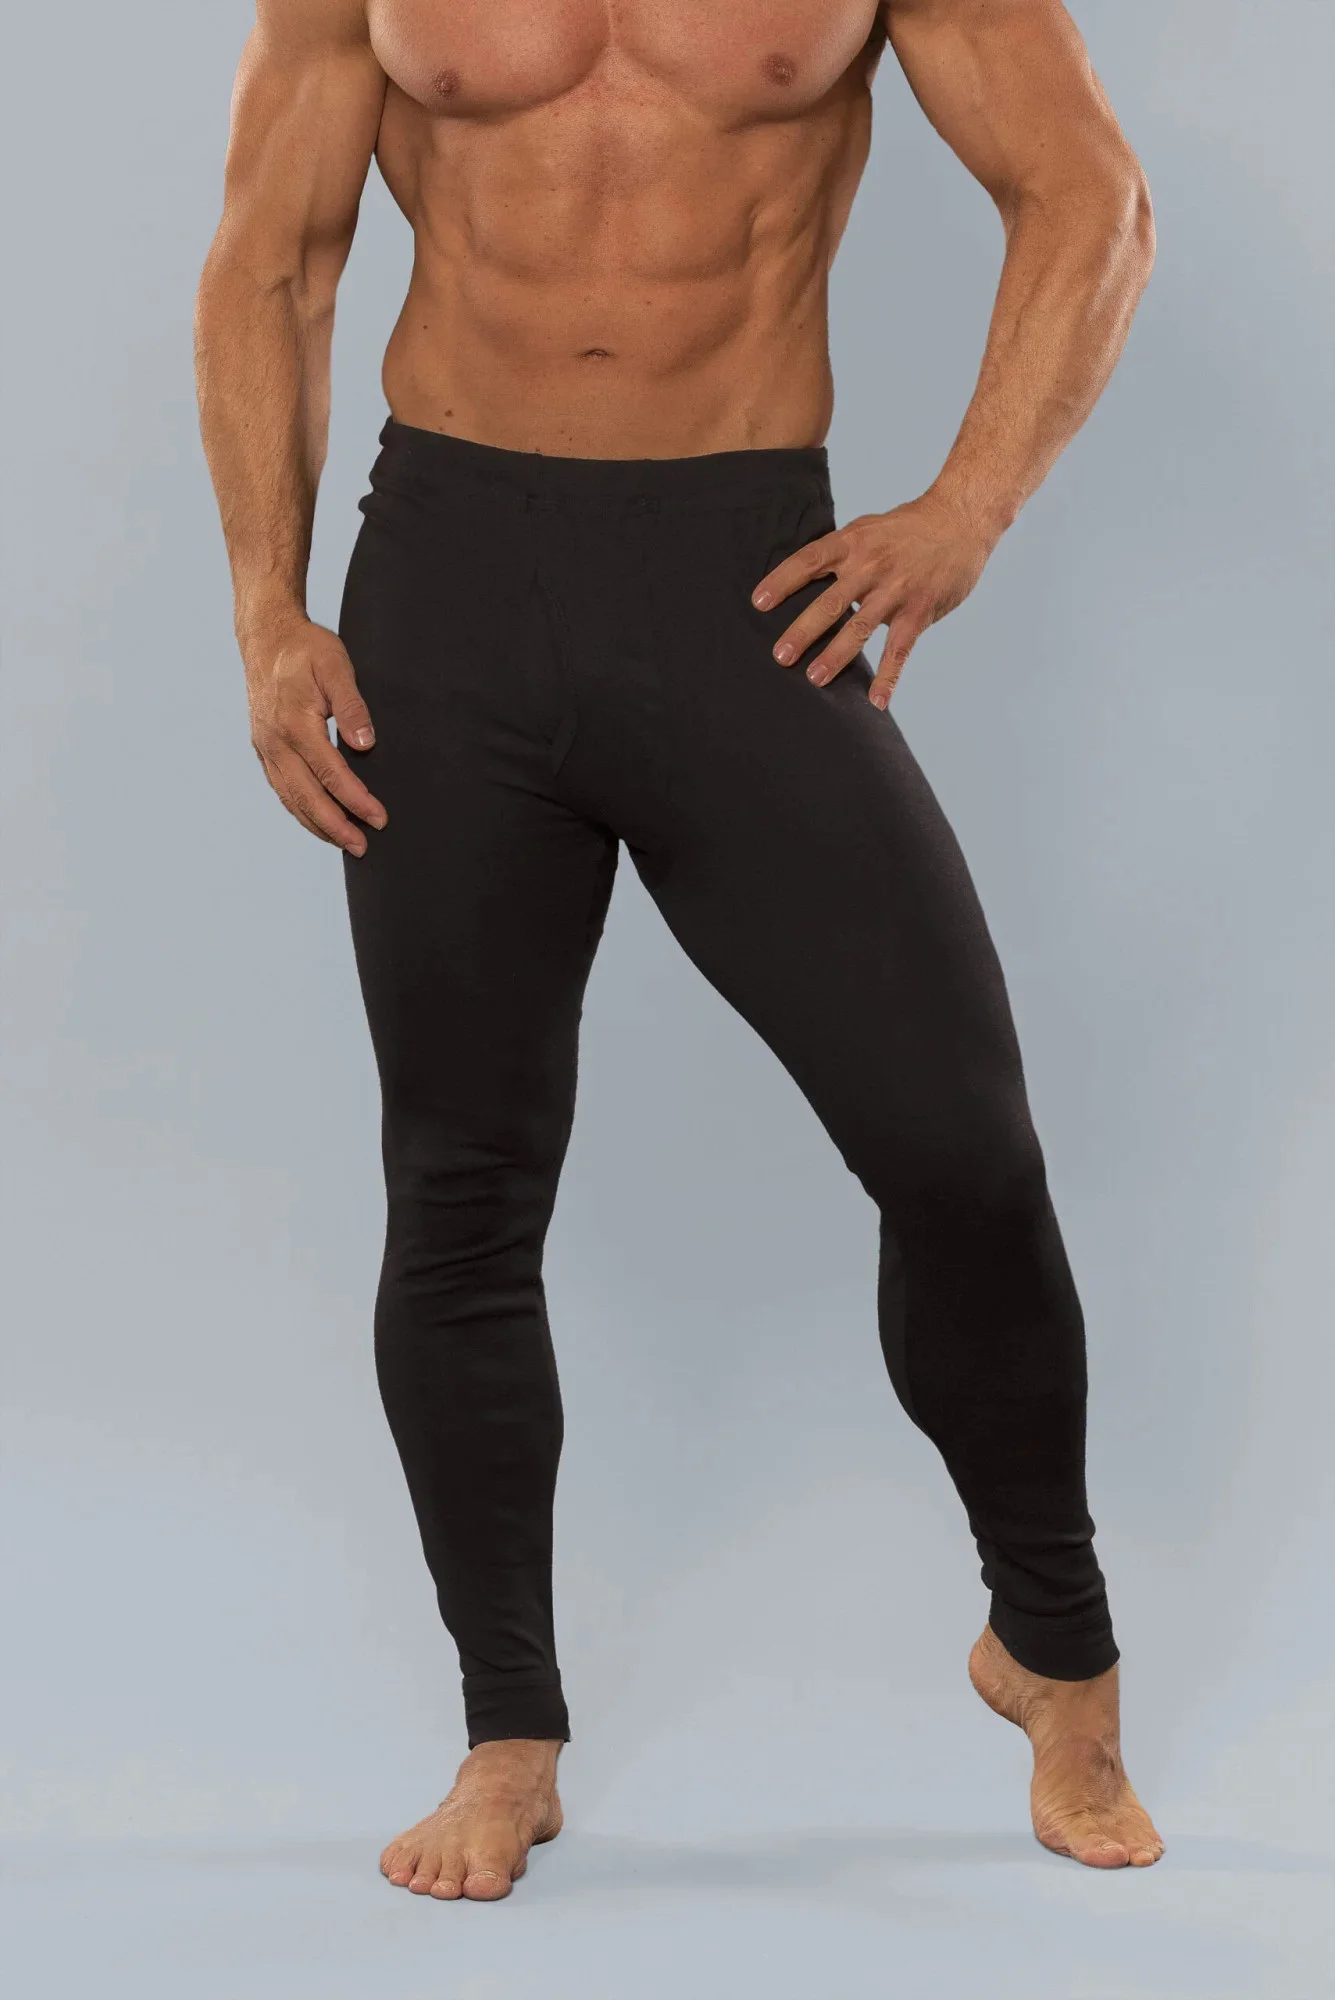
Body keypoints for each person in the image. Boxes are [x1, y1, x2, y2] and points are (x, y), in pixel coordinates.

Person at [194, 0, 1162, 1902]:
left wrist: (967, 507)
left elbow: (1089, 197)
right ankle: (507, 1735)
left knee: (959, 1152)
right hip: (448, 588)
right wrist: (265, 613)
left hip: (743, 582)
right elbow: (272, 253)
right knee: (462, 1184)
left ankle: (1054, 1649)